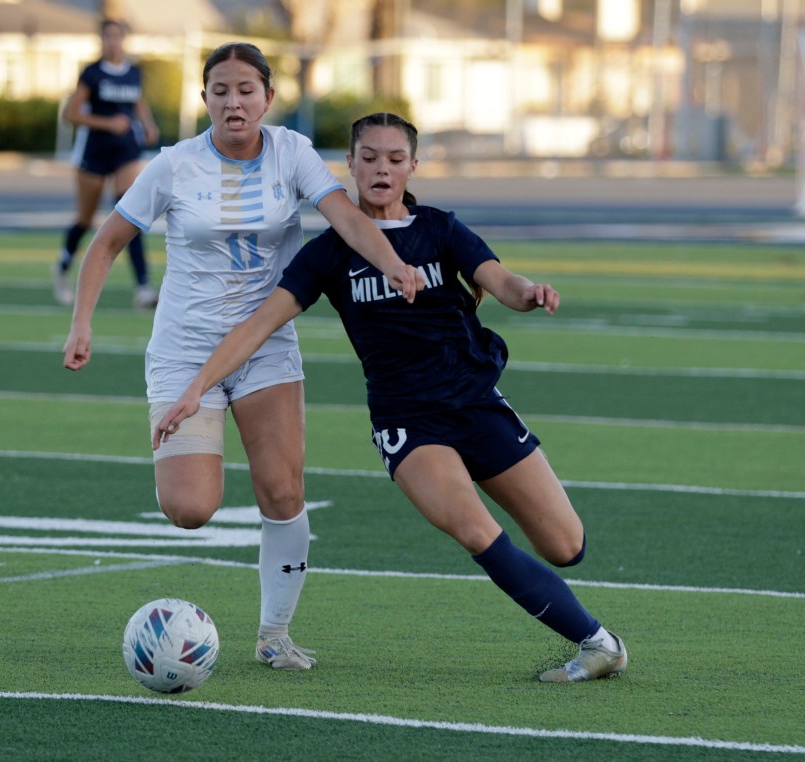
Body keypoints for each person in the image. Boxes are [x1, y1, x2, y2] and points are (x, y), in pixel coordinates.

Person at [153, 112, 629, 683]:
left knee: (565, 544)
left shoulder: (440, 228)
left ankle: (584, 626)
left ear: (413, 166)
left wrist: (530, 293)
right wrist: (195, 390)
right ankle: (599, 644)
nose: (382, 168)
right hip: (408, 422)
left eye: (395, 158)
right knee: (478, 532)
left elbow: (501, 281)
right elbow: (257, 327)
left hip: (475, 402)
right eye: (370, 158)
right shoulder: (330, 252)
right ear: (348, 166)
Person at [62, 46, 425, 671]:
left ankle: (273, 635)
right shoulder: (173, 165)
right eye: (221, 90)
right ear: (204, 98)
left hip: (266, 346)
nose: (234, 102)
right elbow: (106, 244)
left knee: (283, 491)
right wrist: (82, 323)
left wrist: (393, 263)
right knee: (190, 510)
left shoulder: (292, 152)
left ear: (268, 97)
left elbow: (344, 218)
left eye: (246, 90)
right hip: (184, 351)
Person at [53, 19, 160, 309]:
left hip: (126, 151)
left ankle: (143, 288)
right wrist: (107, 123)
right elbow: (72, 114)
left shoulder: (134, 73)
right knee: (86, 220)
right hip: (94, 152)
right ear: (101, 40)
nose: (113, 42)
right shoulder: (92, 74)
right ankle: (62, 269)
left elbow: (138, 103)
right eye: (108, 37)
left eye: (118, 36)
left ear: (125, 39)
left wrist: (148, 125)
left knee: (129, 215)